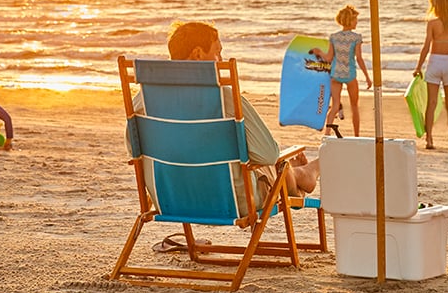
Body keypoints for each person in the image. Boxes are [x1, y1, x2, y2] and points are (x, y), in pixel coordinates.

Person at [135, 21, 320, 202]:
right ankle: (298, 175)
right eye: (217, 52)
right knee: (276, 163)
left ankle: (297, 175)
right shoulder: (224, 99)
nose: (221, 59)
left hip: (169, 197)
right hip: (230, 199)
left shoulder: (143, 98)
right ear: (198, 54)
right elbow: (268, 155)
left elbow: (134, 150)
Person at [412, 0, 448, 150]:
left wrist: (418, 67)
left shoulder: (432, 24)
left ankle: (429, 140)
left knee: (432, 103)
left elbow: (426, 46)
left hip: (434, 61)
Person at [309, 5, 372, 137]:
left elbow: (329, 58)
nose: (357, 22)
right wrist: (367, 76)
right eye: (355, 19)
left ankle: (326, 134)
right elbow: (359, 59)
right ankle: (356, 136)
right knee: (354, 106)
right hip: (349, 75)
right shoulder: (356, 38)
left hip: (336, 75)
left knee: (335, 106)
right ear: (350, 20)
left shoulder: (334, 37)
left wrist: (319, 52)